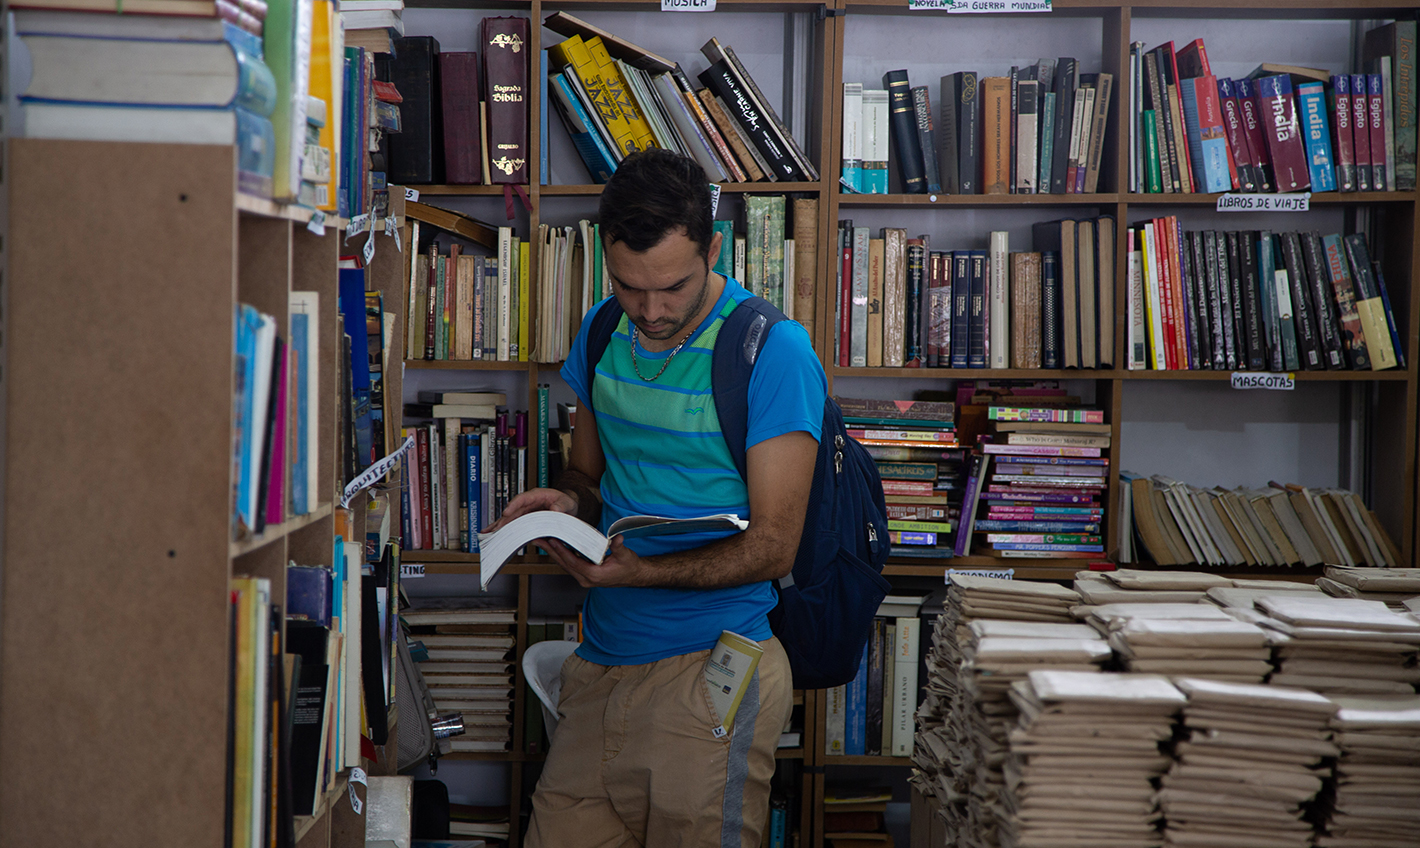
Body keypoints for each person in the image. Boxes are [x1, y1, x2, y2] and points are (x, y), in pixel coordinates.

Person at [490, 148, 827, 847]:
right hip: (599, 664)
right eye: (628, 285)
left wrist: (641, 572)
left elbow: (773, 546)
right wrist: (565, 503)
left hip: (714, 674)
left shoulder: (774, 353)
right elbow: (589, 479)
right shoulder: (603, 329)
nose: (650, 311)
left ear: (712, 247)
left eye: (671, 287)